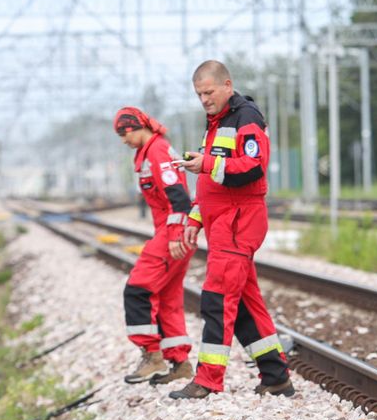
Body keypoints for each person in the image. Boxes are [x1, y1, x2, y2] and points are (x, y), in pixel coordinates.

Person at [175, 59, 292, 400]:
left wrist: (207, 163)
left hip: (239, 222)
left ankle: (208, 379)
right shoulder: (216, 122)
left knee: (217, 298)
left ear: (227, 85)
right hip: (222, 223)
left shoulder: (246, 118)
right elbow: (213, 182)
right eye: (199, 94)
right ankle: (276, 376)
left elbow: (253, 168)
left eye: (209, 92)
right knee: (242, 303)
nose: (204, 99)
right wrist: (195, 219)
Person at [115, 106, 196, 385]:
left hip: (172, 233)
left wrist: (174, 235)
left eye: (123, 133)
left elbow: (179, 197)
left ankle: (152, 356)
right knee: (167, 300)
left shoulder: (157, 151)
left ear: (134, 127)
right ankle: (181, 363)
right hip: (174, 231)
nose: (123, 140)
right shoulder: (149, 151)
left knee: (137, 290)